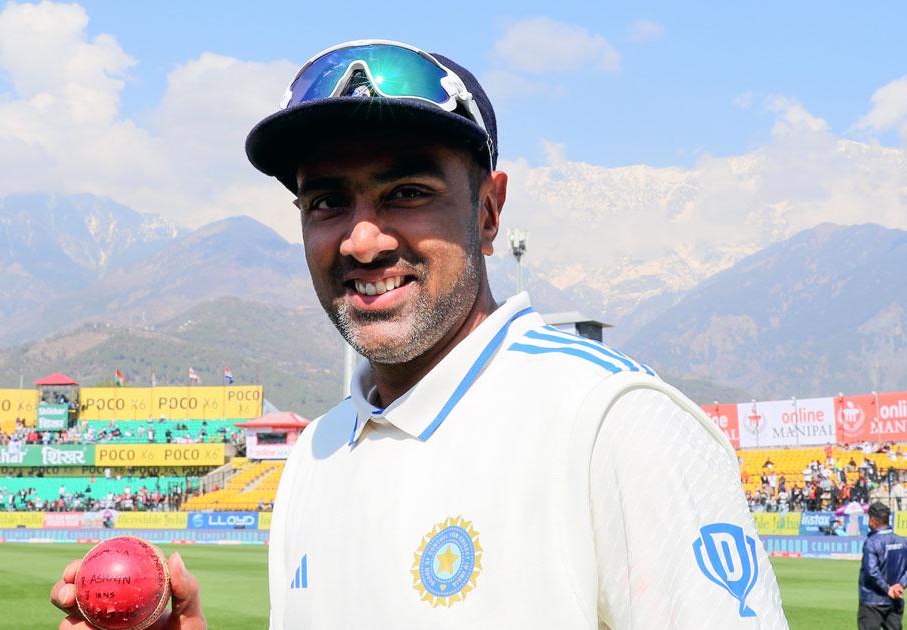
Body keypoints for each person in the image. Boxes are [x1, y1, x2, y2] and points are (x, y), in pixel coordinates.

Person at [51, 38, 788, 629]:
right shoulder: (316, 453)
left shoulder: (612, 421)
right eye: (327, 201)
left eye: (408, 192)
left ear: (489, 213)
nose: (362, 240)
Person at [858, 502, 907, 630]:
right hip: (895, 599)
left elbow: (872, 571)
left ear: (873, 520)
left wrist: (887, 589)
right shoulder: (902, 541)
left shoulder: (871, 542)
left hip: (872, 601)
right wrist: (900, 585)